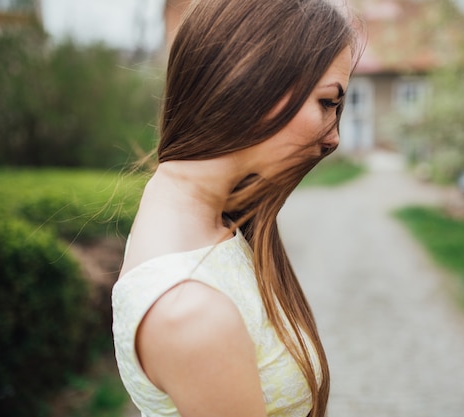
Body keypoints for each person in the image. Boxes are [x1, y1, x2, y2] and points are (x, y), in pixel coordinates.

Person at [111, 0, 358, 416]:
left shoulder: (209, 219)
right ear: (254, 80)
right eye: (327, 102)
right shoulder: (191, 311)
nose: (333, 137)